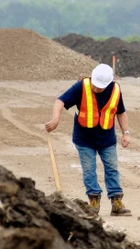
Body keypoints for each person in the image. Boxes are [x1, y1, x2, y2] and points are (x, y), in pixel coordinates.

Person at [43, 62, 132, 217]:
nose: (96, 89)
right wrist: (56, 118)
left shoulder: (115, 90)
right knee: (89, 171)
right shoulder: (81, 87)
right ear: (91, 77)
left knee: (112, 169)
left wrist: (126, 132)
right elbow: (60, 101)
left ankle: (116, 203)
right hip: (84, 140)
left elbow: (121, 112)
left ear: (109, 83)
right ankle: (94, 202)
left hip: (107, 139)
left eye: (100, 87)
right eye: (95, 85)